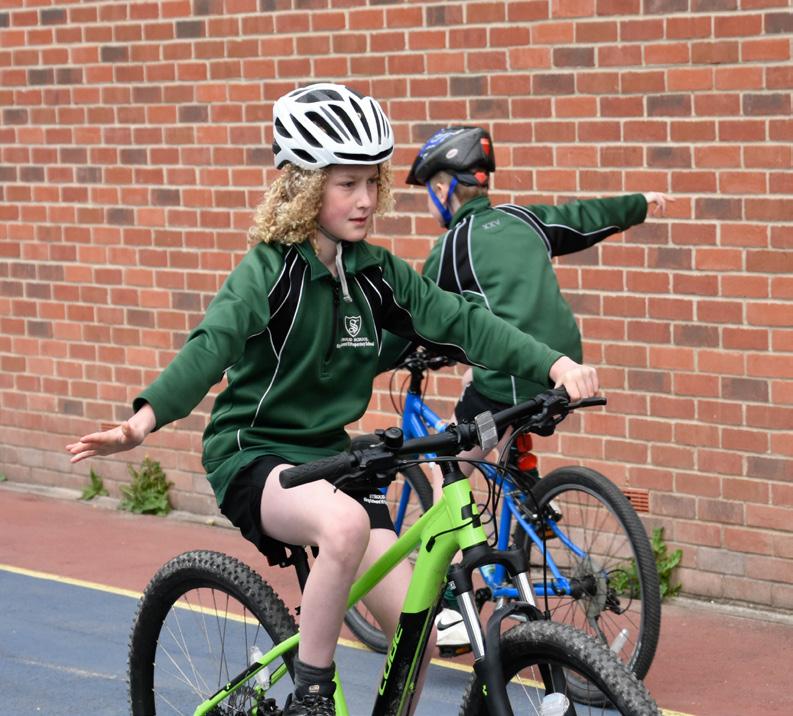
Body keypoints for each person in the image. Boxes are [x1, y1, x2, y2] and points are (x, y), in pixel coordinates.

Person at [67, 88, 600, 716]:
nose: (366, 199)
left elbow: (463, 322)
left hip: (333, 459)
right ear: (305, 188)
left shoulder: (376, 272)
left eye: (372, 182)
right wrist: (143, 419)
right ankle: (311, 696)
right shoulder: (268, 271)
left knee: (417, 631)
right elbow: (210, 347)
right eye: (347, 184)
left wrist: (555, 365)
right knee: (343, 526)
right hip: (255, 455)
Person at [380, 125, 672, 653]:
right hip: (563, 370)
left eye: (430, 190)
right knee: (492, 410)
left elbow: (419, 317)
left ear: (444, 188)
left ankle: (450, 608)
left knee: (450, 468)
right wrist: (640, 204)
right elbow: (584, 217)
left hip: (512, 380)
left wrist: (380, 355)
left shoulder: (451, 246)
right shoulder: (525, 218)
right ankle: (531, 496)